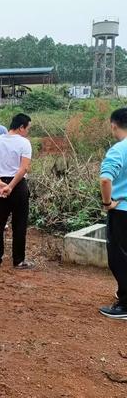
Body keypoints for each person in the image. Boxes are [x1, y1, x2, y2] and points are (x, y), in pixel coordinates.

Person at [0, 113, 34, 269]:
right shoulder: (24, 143)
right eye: (27, 128)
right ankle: (18, 260)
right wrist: (11, 186)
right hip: (18, 185)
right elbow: (24, 168)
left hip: (0, 186)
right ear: (21, 127)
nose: (27, 132)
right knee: (19, 224)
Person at [99, 108, 127, 320]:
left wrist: (108, 202)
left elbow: (106, 179)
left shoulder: (118, 149)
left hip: (122, 212)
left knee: (119, 257)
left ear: (113, 125)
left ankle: (125, 304)